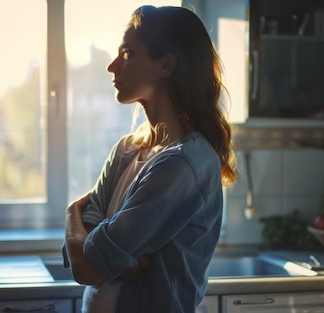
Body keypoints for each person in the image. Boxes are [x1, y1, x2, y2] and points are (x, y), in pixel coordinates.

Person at [63, 5, 237, 313]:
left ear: (166, 65)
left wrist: (72, 217)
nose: (112, 66)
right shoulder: (127, 150)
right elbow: (85, 248)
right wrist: (104, 251)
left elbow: (86, 269)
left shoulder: (184, 164)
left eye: (128, 53)